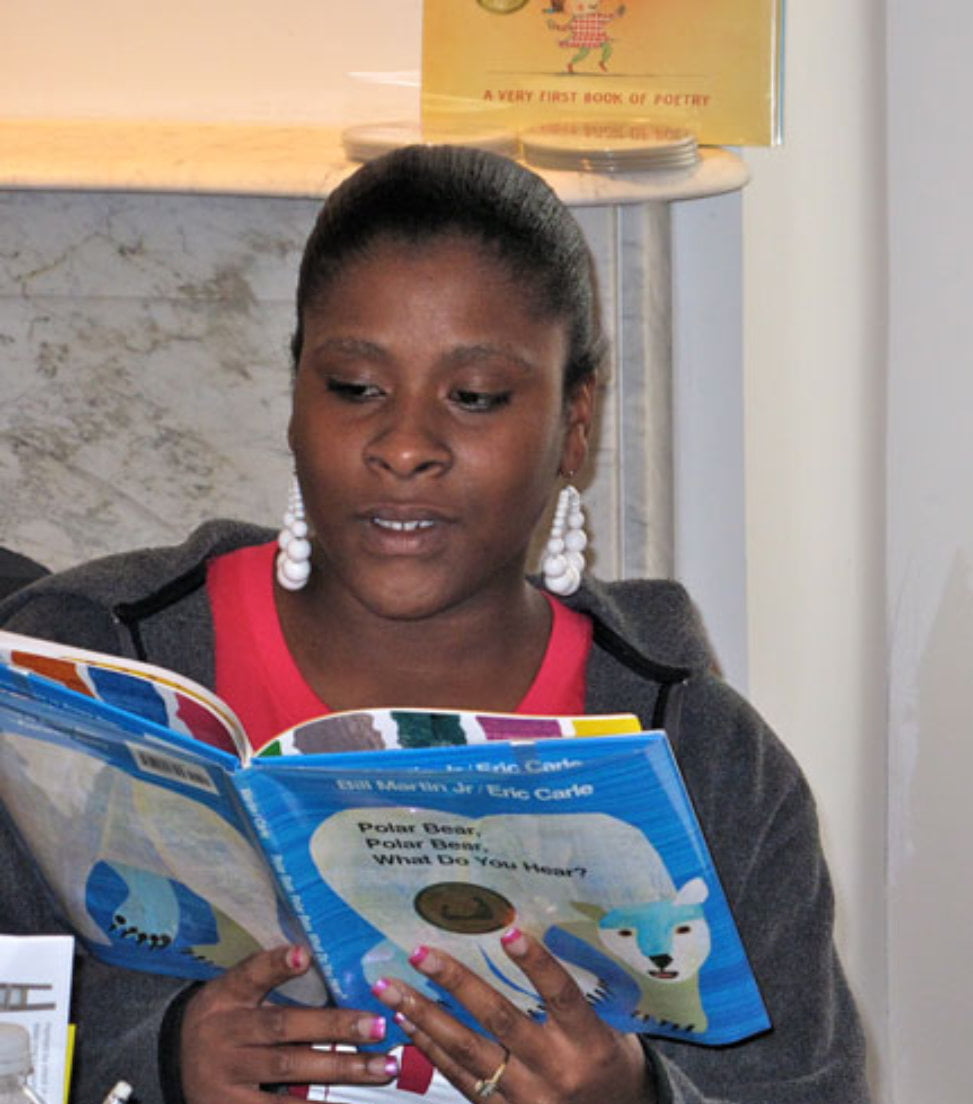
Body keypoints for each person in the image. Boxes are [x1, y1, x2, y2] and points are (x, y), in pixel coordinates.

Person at [0, 145, 868, 1104]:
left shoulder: (707, 759)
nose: (405, 446)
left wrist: (640, 1098)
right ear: (294, 398)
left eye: (477, 398)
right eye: (355, 388)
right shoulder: (85, 664)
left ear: (576, 422)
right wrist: (159, 1064)